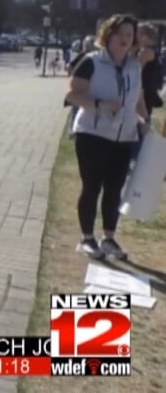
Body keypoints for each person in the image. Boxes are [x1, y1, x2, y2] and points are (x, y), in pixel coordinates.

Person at [65, 14, 147, 260]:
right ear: (108, 35)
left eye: (129, 35)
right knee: (92, 187)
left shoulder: (134, 66)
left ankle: (109, 238)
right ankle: (87, 238)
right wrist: (99, 105)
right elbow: (72, 95)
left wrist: (143, 121)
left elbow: (138, 100)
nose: (124, 39)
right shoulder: (91, 62)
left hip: (124, 137)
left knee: (115, 189)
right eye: (120, 33)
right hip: (92, 133)